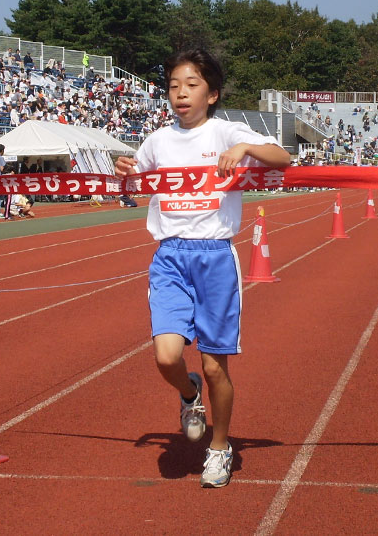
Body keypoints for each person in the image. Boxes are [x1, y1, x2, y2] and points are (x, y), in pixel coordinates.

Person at [114, 49, 290, 488]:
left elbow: (282, 158)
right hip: (170, 257)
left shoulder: (226, 131)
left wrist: (245, 147)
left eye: (191, 85)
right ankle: (189, 395)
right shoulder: (156, 141)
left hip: (215, 258)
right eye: (173, 86)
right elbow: (135, 187)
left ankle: (220, 447)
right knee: (166, 356)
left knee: (217, 367)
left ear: (211, 94)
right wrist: (127, 175)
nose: (180, 94)